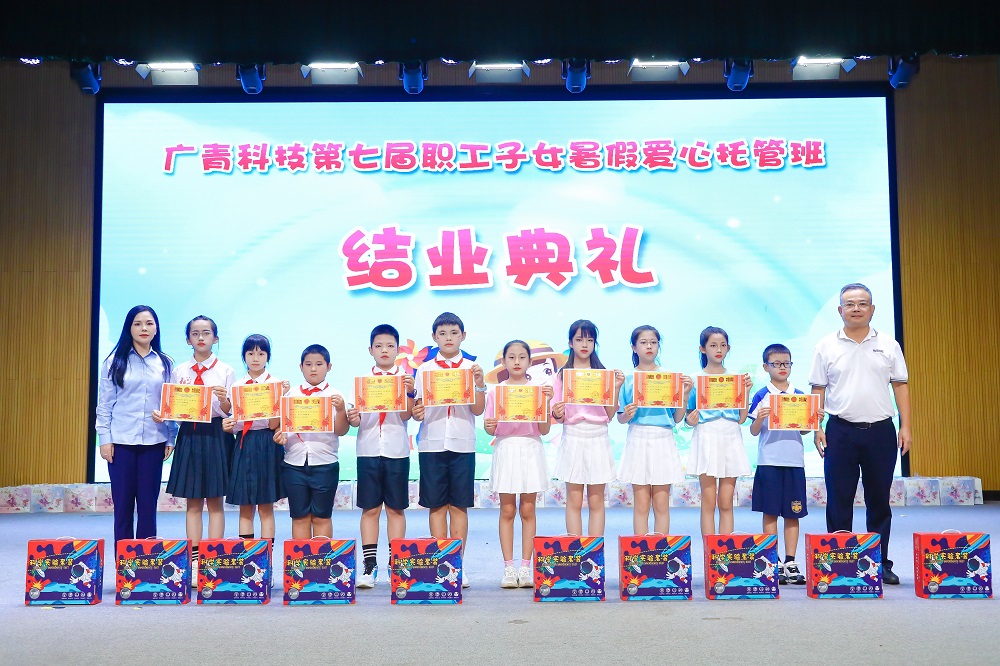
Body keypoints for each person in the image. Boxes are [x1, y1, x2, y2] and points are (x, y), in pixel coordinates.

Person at [809, 283, 910, 585]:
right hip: (840, 431)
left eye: (862, 303)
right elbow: (818, 389)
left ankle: (880, 562)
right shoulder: (825, 345)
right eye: (850, 304)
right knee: (839, 499)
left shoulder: (889, 344)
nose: (856, 308)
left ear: (872, 309)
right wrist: (816, 426)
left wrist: (906, 426)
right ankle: (840, 561)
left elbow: (900, 385)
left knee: (879, 500)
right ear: (840, 310)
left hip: (881, 431)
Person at [412, 312, 486, 588]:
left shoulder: (471, 368)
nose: (448, 338)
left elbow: (477, 410)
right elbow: (418, 408)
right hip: (431, 442)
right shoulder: (424, 369)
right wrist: (417, 412)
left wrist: (479, 384)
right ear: (434, 337)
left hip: (462, 442)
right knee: (436, 504)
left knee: (459, 504)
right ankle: (440, 562)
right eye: (442, 334)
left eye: (454, 333)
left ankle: (457, 564)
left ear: (463, 336)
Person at [158, 315, 236, 580]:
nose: (201, 337)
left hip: (216, 434)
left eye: (206, 333)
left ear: (216, 338)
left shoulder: (225, 370)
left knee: (215, 502)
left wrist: (223, 401)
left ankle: (212, 560)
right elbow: (174, 410)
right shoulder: (180, 371)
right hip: (190, 435)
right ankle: (193, 563)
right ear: (188, 339)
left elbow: (230, 412)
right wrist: (164, 414)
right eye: (195, 333)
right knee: (192, 503)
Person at [96, 305, 175, 544]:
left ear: (156, 328)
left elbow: (171, 405)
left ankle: (144, 561)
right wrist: (105, 440)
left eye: (149, 323)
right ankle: (123, 561)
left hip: (154, 441)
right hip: (121, 443)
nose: (144, 328)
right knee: (123, 507)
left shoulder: (165, 363)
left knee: (148, 507)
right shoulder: (114, 361)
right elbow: (104, 405)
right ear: (129, 328)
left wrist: (171, 436)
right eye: (137, 323)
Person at [346, 324, 414, 589]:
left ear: (398, 350)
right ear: (370, 350)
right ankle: (370, 565)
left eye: (390, 346)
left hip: (397, 450)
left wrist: (409, 393)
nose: (384, 350)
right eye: (379, 346)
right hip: (368, 450)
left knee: (396, 509)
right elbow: (354, 420)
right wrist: (353, 417)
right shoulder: (362, 383)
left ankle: (396, 563)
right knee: (370, 509)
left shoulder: (406, 380)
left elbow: (407, 415)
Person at [484, 340, 553, 589]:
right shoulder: (496, 391)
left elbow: (544, 430)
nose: (516, 362)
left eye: (522, 357)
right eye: (511, 357)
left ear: (530, 362)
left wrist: (546, 403)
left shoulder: (538, 391)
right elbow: (489, 428)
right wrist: (489, 426)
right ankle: (508, 568)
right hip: (506, 449)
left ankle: (525, 567)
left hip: (530, 448)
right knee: (507, 510)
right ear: (503, 362)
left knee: (528, 509)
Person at [748, 343, 817, 585]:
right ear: (765, 366)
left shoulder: (799, 396)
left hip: (794, 462)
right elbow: (753, 431)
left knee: (793, 512)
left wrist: (813, 420)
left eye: (786, 363)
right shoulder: (761, 395)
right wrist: (760, 418)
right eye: (776, 363)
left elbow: (804, 431)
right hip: (769, 461)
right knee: (770, 512)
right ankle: (773, 561)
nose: (782, 367)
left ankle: (791, 561)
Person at [551, 319, 625, 537]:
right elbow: (558, 415)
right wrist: (557, 411)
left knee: (596, 500)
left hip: (598, 436)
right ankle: (576, 549)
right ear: (570, 343)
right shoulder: (562, 375)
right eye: (579, 339)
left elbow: (609, 415)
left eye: (590, 340)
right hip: (573, 436)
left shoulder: (603, 375)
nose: (584, 344)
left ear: (595, 343)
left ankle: (595, 551)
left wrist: (616, 387)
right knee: (574, 500)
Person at [616, 325, 692, 535]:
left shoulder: (670, 378)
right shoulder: (627, 379)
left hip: (663, 439)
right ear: (634, 347)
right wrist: (627, 414)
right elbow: (620, 418)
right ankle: (641, 550)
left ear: (658, 346)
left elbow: (676, 418)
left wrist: (685, 394)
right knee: (641, 505)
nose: (649, 346)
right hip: (638, 438)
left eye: (653, 342)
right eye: (643, 342)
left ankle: (661, 551)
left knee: (661, 504)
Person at [274, 344, 350, 539]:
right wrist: (279, 435)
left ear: (329, 367)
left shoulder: (336, 396)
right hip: (294, 463)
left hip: (325, 463)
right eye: (308, 364)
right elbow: (281, 427)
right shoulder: (290, 395)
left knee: (322, 517)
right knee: (299, 517)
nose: (313, 369)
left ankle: (322, 558)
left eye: (319, 364)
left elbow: (341, 431)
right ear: (301, 367)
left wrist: (341, 410)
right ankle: (302, 557)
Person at [685, 326, 753, 536]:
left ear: (728, 348)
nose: (719, 349)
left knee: (726, 501)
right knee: (708, 501)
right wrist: (690, 420)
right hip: (706, 435)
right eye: (713, 345)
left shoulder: (737, 379)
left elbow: (741, 418)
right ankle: (710, 550)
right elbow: (687, 417)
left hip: (731, 436)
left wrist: (746, 392)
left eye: (723, 345)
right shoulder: (694, 379)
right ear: (702, 349)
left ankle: (724, 549)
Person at [223, 334, 287, 546]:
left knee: (266, 505)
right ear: (244, 357)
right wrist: (228, 425)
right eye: (250, 353)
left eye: (261, 353)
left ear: (268, 356)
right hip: (244, 442)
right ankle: (247, 553)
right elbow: (234, 421)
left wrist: (281, 397)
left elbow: (274, 424)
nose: (256, 358)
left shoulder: (276, 384)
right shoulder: (237, 386)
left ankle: (266, 556)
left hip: (268, 443)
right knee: (245, 504)